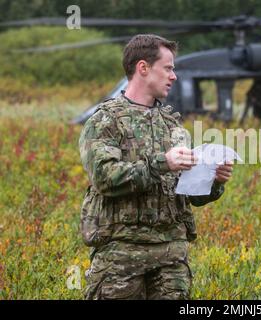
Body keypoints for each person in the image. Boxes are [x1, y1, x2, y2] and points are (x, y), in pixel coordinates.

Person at [78, 34, 233, 300]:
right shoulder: (106, 121)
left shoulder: (173, 126)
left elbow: (189, 194)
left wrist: (214, 181)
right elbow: (104, 178)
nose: (173, 76)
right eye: (168, 68)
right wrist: (164, 162)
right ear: (143, 68)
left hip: (171, 258)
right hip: (121, 257)